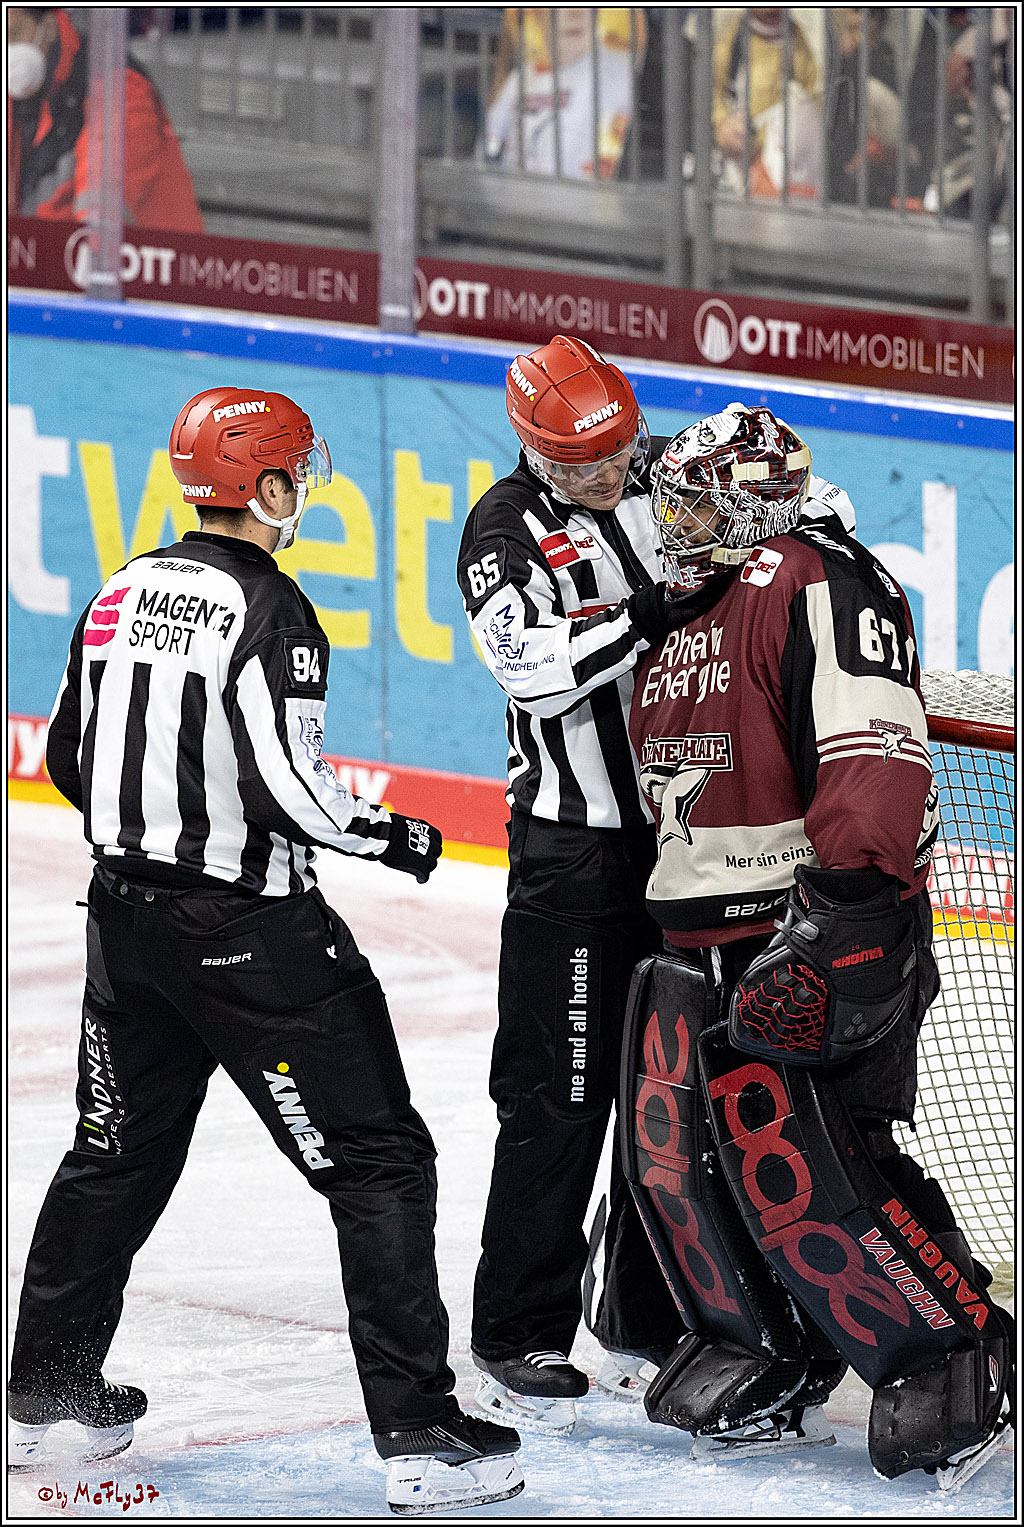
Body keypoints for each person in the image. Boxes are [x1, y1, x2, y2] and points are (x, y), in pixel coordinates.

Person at [7, 387, 523, 1517]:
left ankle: (46, 1397)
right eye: (298, 473)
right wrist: (398, 834)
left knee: (112, 1153)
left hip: (124, 930)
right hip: (255, 944)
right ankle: (420, 1435)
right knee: (379, 1161)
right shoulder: (273, 610)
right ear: (269, 487)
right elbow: (296, 795)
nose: (306, 492)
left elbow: (66, 758)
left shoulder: (119, 589)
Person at [456, 336, 858, 1433]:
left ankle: (637, 1321)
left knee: (674, 1098)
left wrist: (793, 523)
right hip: (573, 859)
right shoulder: (502, 532)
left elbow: (817, 496)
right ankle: (513, 1337)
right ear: (532, 449)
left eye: (619, 450)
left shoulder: (658, 473)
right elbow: (530, 667)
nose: (609, 475)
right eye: (581, 463)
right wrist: (659, 608)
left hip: (685, 843)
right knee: (560, 1097)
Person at [620, 402, 1014, 1488]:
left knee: (827, 1167)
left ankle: (956, 1348)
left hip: (811, 921)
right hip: (696, 929)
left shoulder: (818, 578)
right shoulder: (684, 605)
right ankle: (774, 1348)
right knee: (692, 1167)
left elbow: (873, 748)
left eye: (702, 496)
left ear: (756, 503)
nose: (679, 514)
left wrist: (848, 909)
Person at [7, 6, 203, 230]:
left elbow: (102, 202)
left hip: (157, 256)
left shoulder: (119, 85)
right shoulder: (19, 95)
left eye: (13, 35)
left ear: (49, 27)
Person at [481, 8, 647, 179]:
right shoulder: (519, 81)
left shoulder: (623, 71)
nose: (575, 11)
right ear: (532, 12)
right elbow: (486, 159)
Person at [712, 7, 822, 199]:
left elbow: (810, 97)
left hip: (787, 166)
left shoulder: (797, 40)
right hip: (739, 161)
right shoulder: (733, 40)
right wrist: (722, 125)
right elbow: (714, 93)